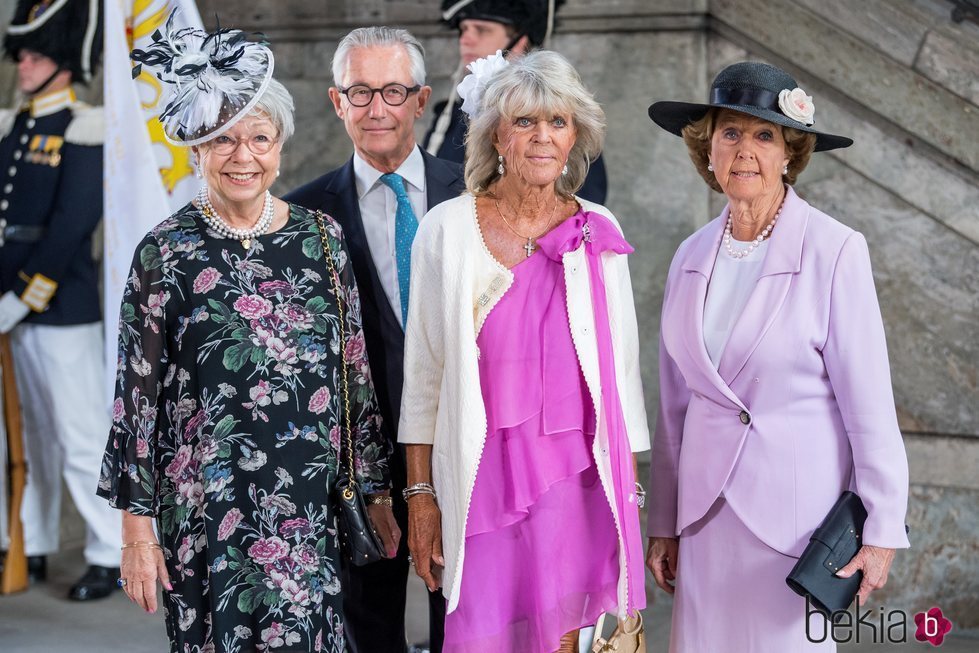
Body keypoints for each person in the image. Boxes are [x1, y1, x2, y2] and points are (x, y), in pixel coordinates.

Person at [97, 19, 397, 651]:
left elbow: (353, 374)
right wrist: (136, 532)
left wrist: (374, 490)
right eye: (223, 141)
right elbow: (137, 400)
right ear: (197, 150)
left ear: (280, 144)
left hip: (307, 507)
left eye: (259, 138)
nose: (244, 157)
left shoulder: (320, 238)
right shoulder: (166, 251)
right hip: (205, 509)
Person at [645, 61, 910, 652]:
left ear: (790, 151)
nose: (745, 150)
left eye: (764, 135)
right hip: (705, 524)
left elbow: (869, 407)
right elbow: (673, 409)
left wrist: (882, 528)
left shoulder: (836, 249)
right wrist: (663, 523)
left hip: (796, 529)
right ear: (707, 150)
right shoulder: (688, 256)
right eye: (729, 133)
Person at [400, 50, 649, 653]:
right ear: (496, 137)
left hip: (577, 475)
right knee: (482, 635)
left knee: (568, 638)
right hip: (480, 475)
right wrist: (420, 496)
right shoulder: (447, 229)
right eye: (525, 122)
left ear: (576, 139)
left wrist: (631, 493)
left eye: (558, 123)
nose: (543, 137)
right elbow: (424, 375)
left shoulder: (597, 228)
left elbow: (622, 373)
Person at [286, 26, 464, 653]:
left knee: (465, 619)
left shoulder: (477, 197)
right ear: (337, 103)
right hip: (356, 468)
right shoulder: (300, 219)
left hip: (466, 445)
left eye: (393, 90)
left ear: (422, 99)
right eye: (360, 92)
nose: (377, 109)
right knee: (369, 628)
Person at [0, 0, 121, 600]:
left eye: (37, 54)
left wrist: (23, 296)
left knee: (77, 433)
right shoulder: (14, 126)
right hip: (9, 305)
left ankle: (107, 550)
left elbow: (74, 223)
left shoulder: (83, 125)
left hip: (60, 305)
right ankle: (34, 542)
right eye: (22, 53)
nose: (23, 65)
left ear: (65, 63)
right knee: (29, 436)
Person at [424, 0, 609, 205]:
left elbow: (584, 206)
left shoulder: (562, 115)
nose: (466, 39)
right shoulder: (449, 117)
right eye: (464, 29)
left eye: (482, 30)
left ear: (520, 40)